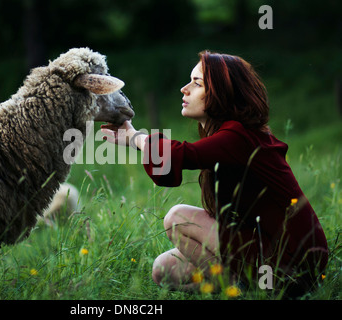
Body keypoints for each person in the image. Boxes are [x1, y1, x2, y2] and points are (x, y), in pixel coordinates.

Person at [101, 50, 328, 298]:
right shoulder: (228, 136)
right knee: (165, 269)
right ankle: (247, 285)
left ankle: (249, 290)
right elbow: (167, 172)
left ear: (223, 93)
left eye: (197, 83)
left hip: (292, 260)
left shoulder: (238, 136)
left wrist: (136, 137)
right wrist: (135, 140)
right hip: (261, 249)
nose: (184, 89)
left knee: (178, 218)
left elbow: (179, 156)